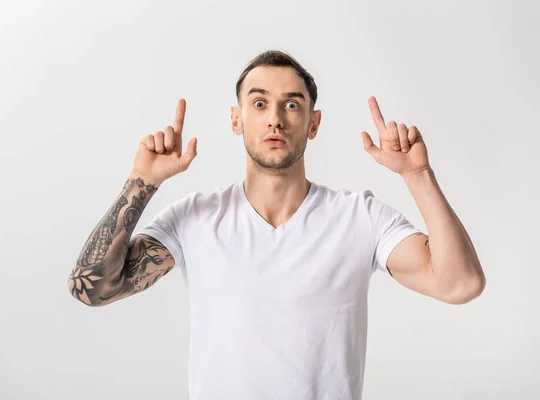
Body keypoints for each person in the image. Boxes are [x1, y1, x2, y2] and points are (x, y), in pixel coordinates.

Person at [68, 50, 485, 400]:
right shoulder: (194, 218)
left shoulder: (360, 218)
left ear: (313, 123)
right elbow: (92, 288)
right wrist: (143, 183)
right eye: (260, 103)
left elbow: (460, 284)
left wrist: (417, 175)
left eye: (292, 103)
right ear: (237, 120)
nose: (275, 120)